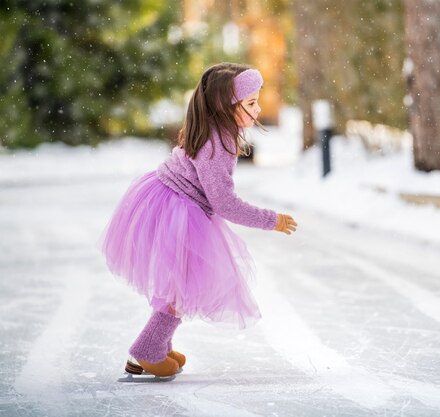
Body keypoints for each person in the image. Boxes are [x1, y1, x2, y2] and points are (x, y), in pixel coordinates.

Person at [99, 63, 298, 378]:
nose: (258, 109)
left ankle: (156, 346)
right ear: (225, 106)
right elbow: (224, 203)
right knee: (182, 286)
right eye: (250, 103)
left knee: (179, 283)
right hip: (178, 210)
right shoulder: (219, 143)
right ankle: (147, 350)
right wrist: (269, 220)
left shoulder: (215, 131)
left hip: (169, 201)